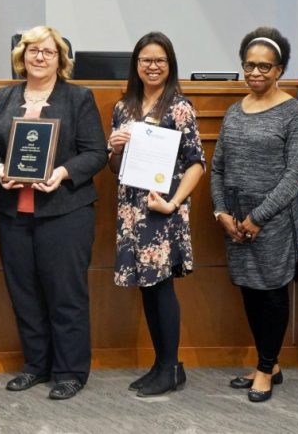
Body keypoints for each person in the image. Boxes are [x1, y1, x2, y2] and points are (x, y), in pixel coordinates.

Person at [0, 26, 108, 401]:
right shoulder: (4, 98)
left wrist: (62, 173)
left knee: (65, 293)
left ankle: (70, 371)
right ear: (21, 57)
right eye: (32, 50)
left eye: (48, 52)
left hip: (65, 212)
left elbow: (96, 153)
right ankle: (36, 365)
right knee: (24, 293)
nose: (39, 57)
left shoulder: (78, 98)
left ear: (61, 60)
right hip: (14, 213)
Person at [210, 27, 298, 403]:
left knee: (272, 295)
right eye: (249, 66)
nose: (255, 73)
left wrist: (257, 218)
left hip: (273, 223)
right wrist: (221, 211)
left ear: (279, 69)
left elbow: (293, 174)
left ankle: (266, 368)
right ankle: (270, 361)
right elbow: (217, 167)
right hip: (234, 222)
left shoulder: (294, 113)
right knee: (251, 294)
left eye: (264, 67)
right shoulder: (235, 112)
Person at [107, 32, 206, 397]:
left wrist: (174, 202)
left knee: (161, 288)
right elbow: (116, 167)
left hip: (163, 211)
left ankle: (170, 366)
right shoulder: (124, 108)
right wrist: (115, 148)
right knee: (147, 289)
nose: (153, 66)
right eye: (146, 60)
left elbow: (197, 164)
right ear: (136, 64)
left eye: (160, 60)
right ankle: (163, 364)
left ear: (170, 65)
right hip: (132, 210)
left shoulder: (179, 107)